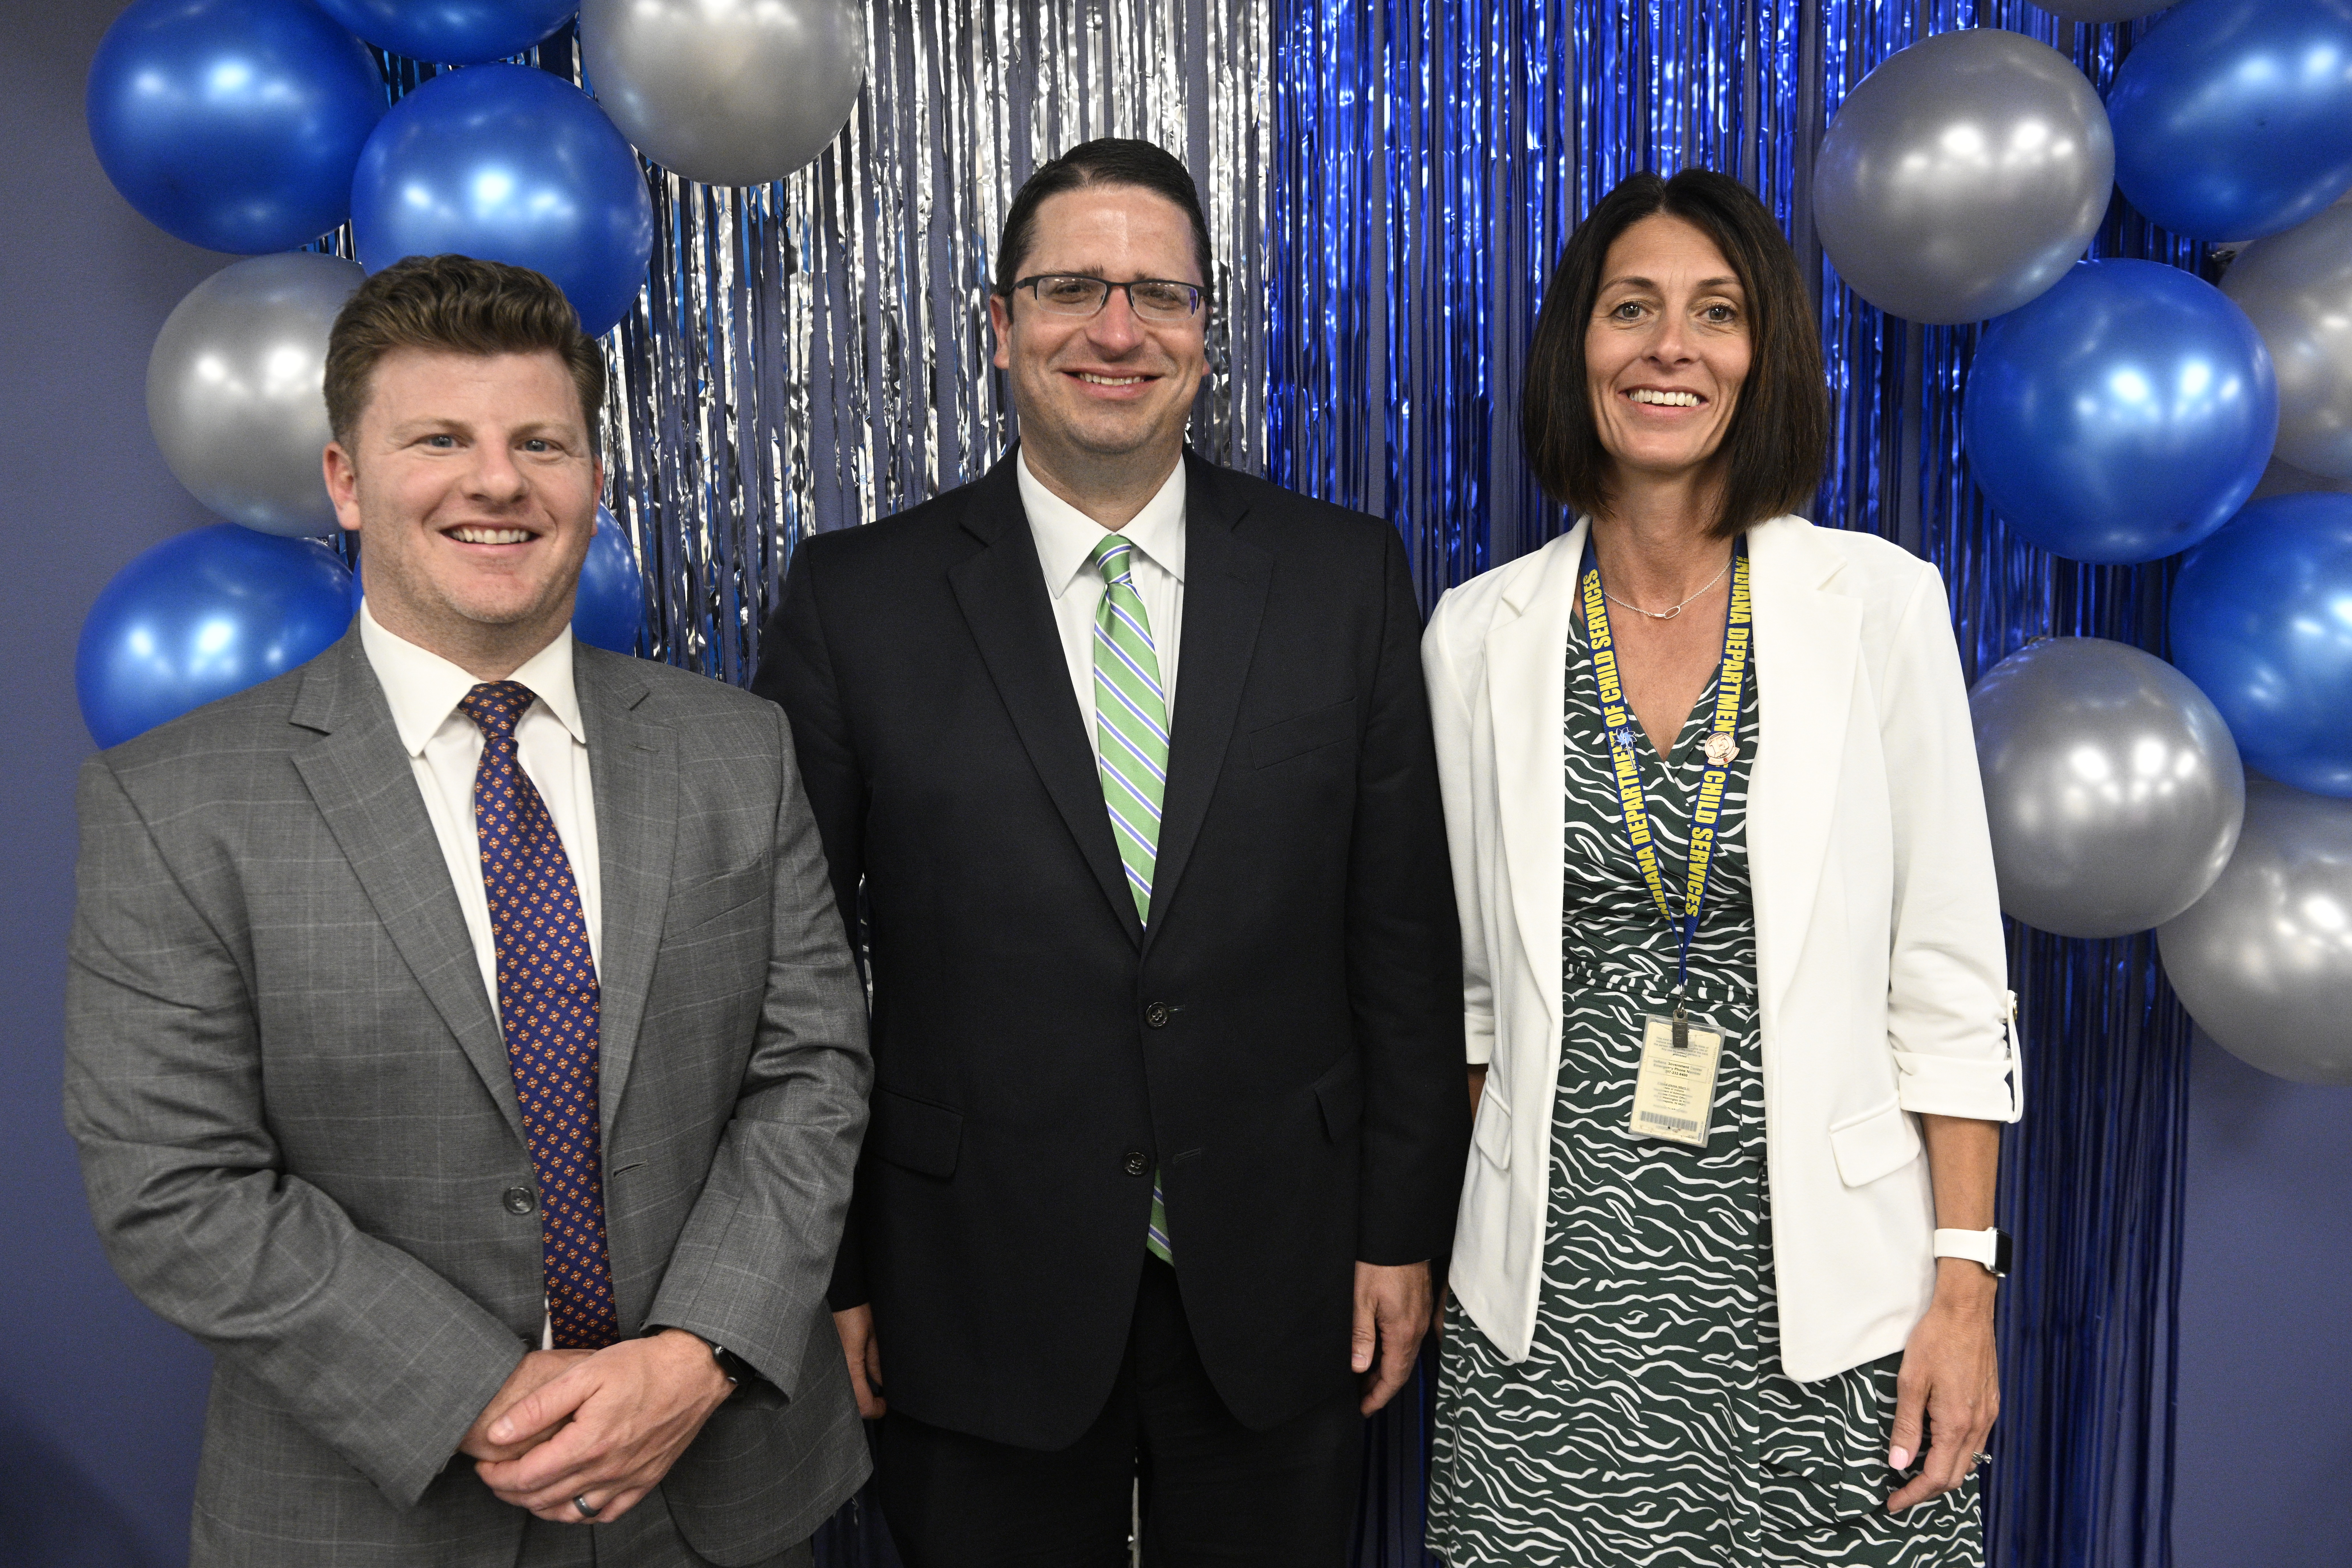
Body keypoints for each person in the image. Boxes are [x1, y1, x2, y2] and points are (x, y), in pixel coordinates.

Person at [64, 255, 872, 1568]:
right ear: (343, 477)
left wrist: (692, 1356)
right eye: (439, 438)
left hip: (715, 1494)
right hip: (369, 1512)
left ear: (592, 478)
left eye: (540, 442)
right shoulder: (175, 801)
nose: (497, 480)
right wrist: (489, 1401)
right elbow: (175, 1182)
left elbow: (813, 1072)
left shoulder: (738, 750)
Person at [752, 136, 1468, 1567]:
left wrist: (1402, 1228)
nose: (1119, 331)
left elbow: (1400, 939)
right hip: (966, 1282)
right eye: (1073, 287)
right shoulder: (860, 599)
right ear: (1000, 325)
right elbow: (795, 976)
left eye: (1162, 293)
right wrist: (821, 1273)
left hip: (1285, 1273)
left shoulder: (1346, 577)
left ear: (1209, 330)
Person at [1420, 169, 2023, 1566]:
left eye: (1717, 313)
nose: (1670, 347)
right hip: (1553, 1306)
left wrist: (1963, 1284)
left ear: (1768, 358)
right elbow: (1465, 999)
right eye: (1632, 309)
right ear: (1582, 347)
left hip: (1835, 1302)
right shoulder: (1476, 633)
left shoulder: (1877, 604)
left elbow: (1946, 974)